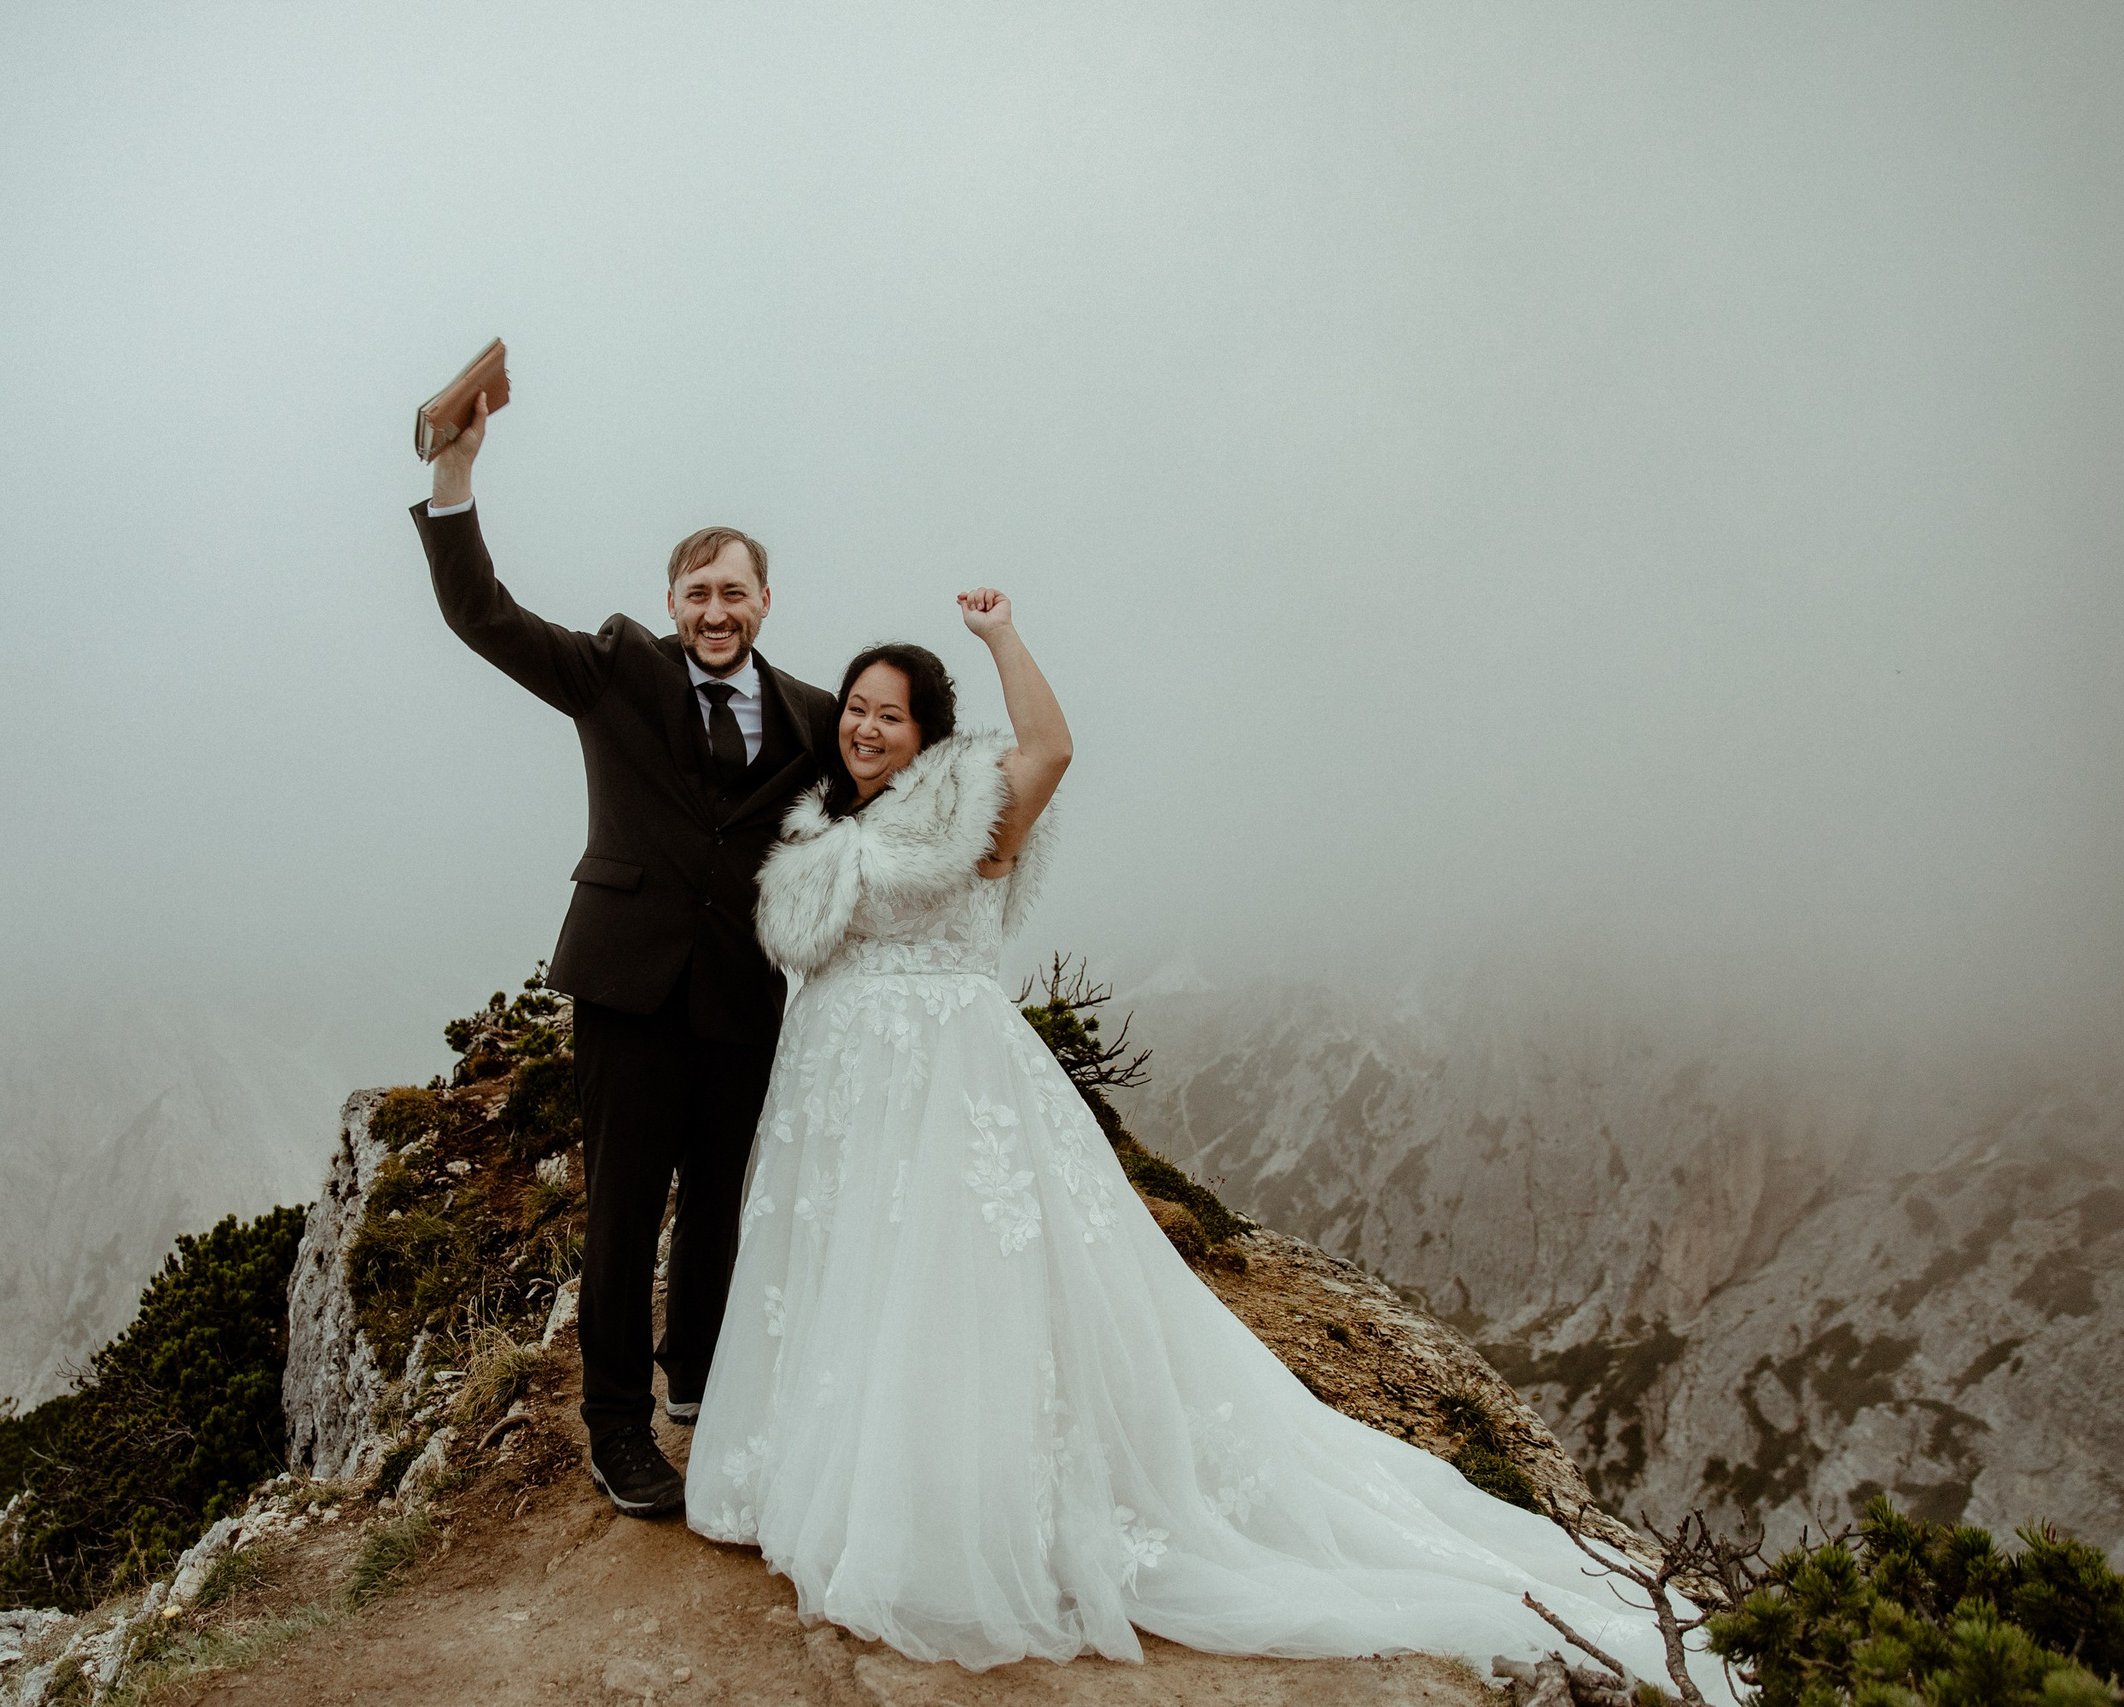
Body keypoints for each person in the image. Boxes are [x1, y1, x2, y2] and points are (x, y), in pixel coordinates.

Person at [685, 593, 1728, 1693]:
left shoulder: (970, 815)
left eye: (890, 714)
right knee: (855, 1273)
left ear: (927, 734)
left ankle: (942, 1510)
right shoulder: (822, 837)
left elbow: (1052, 747)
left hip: (945, 1086)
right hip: (841, 1097)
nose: (864, 726)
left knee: (945, 1285)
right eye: (856, 708)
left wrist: (1000, 637)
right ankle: (837, 1473)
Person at [413, 393, 838, 1518]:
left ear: (764, 600)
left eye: (733, 591)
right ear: (671, 603)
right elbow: (482, 614)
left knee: (720, 1203)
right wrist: (456, 478)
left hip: (744, 992)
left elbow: (893, 787)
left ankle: (699, 1378)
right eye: (696, 593)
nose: (715, 610)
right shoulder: (615, 670)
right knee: (623, 1212)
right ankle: (616, 1428)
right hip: (625, 988)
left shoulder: (811, 717)